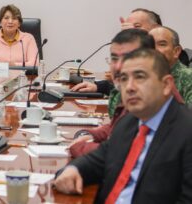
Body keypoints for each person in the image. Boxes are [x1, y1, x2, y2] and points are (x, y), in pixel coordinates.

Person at [55, 49, 192, 203]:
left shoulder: (186, 132)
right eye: (124, 79)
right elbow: (99, 159)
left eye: (140, 77)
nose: (130, 87)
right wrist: (73, 169)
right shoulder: (130, 121)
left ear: (166, 85)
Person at [69, 29, 155, 157]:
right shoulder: (131, 90)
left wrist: (79, 147)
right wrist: (89, 134)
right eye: (114, 59)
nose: (118, 66)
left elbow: (118, 153)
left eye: (127, 58)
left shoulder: (152, 97)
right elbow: (117, 128)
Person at [149, 26, 192, 106]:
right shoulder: (140, 78)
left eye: (162, 44)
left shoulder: (189, 77)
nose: (154, 49)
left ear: (176, 51)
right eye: (150, 45)